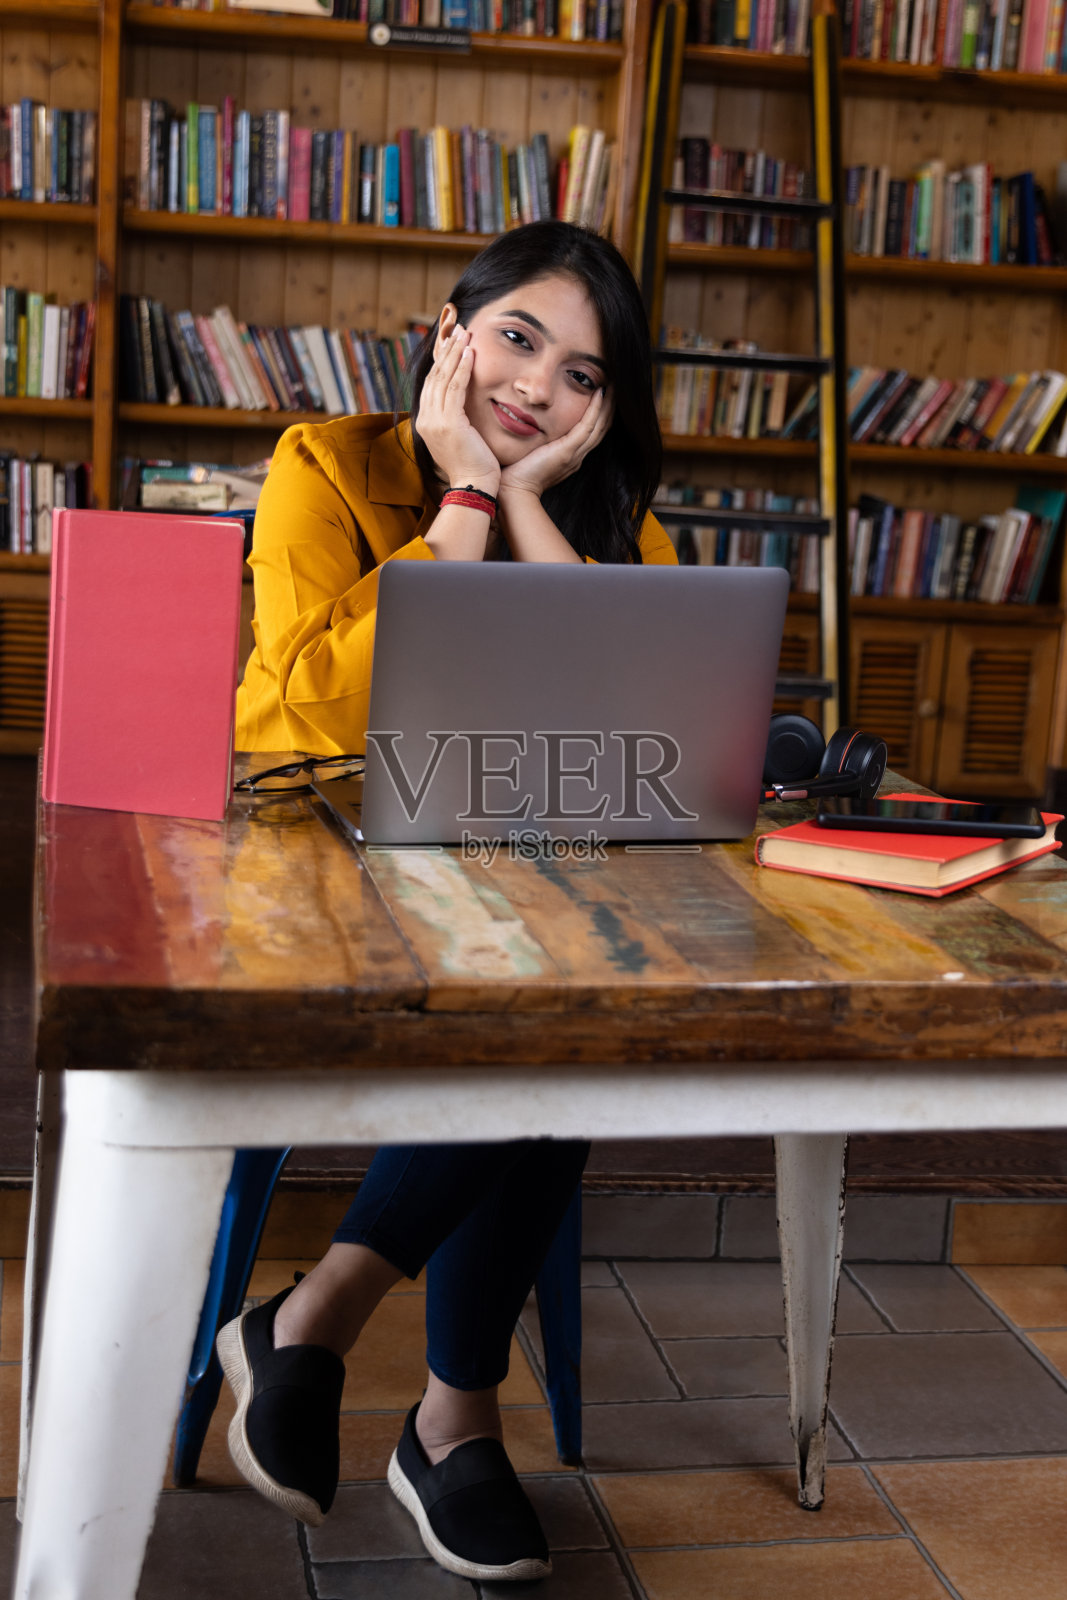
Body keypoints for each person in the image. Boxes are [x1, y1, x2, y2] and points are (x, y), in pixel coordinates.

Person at [221, 220, 677, 1585]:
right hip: (325, 869)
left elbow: (639, 717)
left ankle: (312, 1322)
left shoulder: (613, 522)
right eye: (519, 339)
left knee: (567, 1000)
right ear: (451, 330)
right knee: (557, 1024)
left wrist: (532, 502)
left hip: (513, 878)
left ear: (605, 410)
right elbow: (302, 706)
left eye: (582, 376)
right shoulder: (326, 467)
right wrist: (465, 505)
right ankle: (448, 1420)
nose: (537, 386)